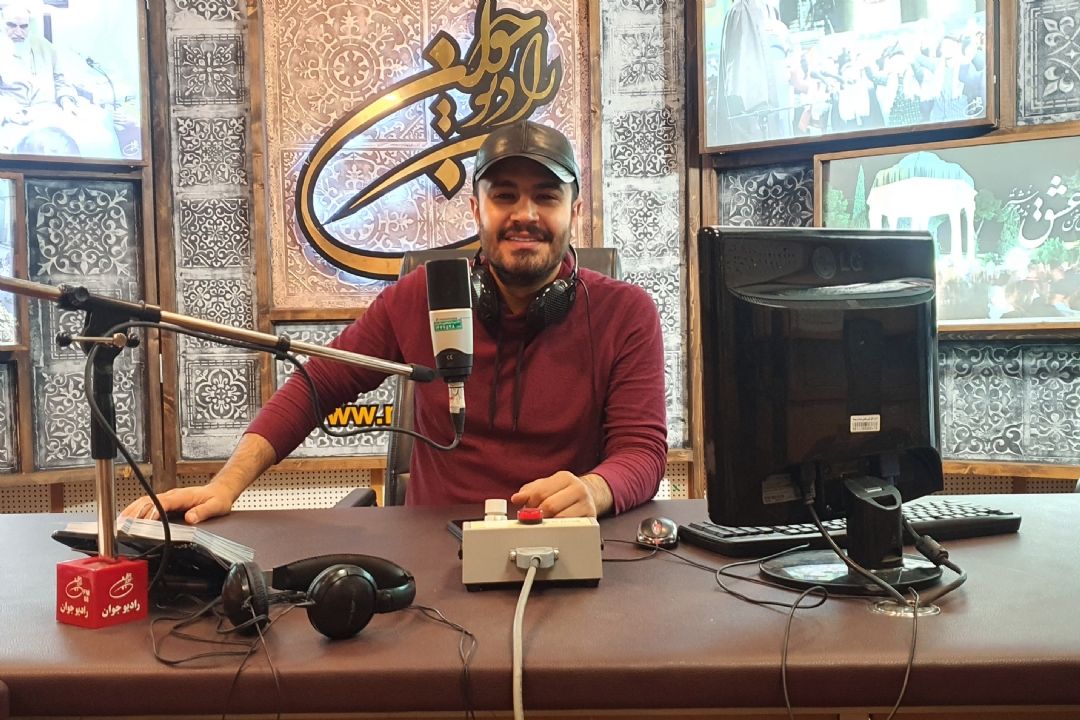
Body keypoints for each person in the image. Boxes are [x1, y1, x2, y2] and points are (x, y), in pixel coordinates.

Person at [123, 120, 668, 523]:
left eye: (546, 197)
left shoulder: (627, 313)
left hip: (563, 546)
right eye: (504, 196)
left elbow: (641, 451)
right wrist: (225, 485)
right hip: (436, 558)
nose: (524, 214)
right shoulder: (419, 297)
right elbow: (317, 384)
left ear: (575, 211)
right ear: (475, 210)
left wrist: (596, 490)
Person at [0, 1, 77, 125]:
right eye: (11, 25)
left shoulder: (47, 48)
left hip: (49, 114)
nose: (18, 32)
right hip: (12, 119)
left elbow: (61, 82)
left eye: (23, 26)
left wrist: (67, 102)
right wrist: (8, 113)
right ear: (2, 24)